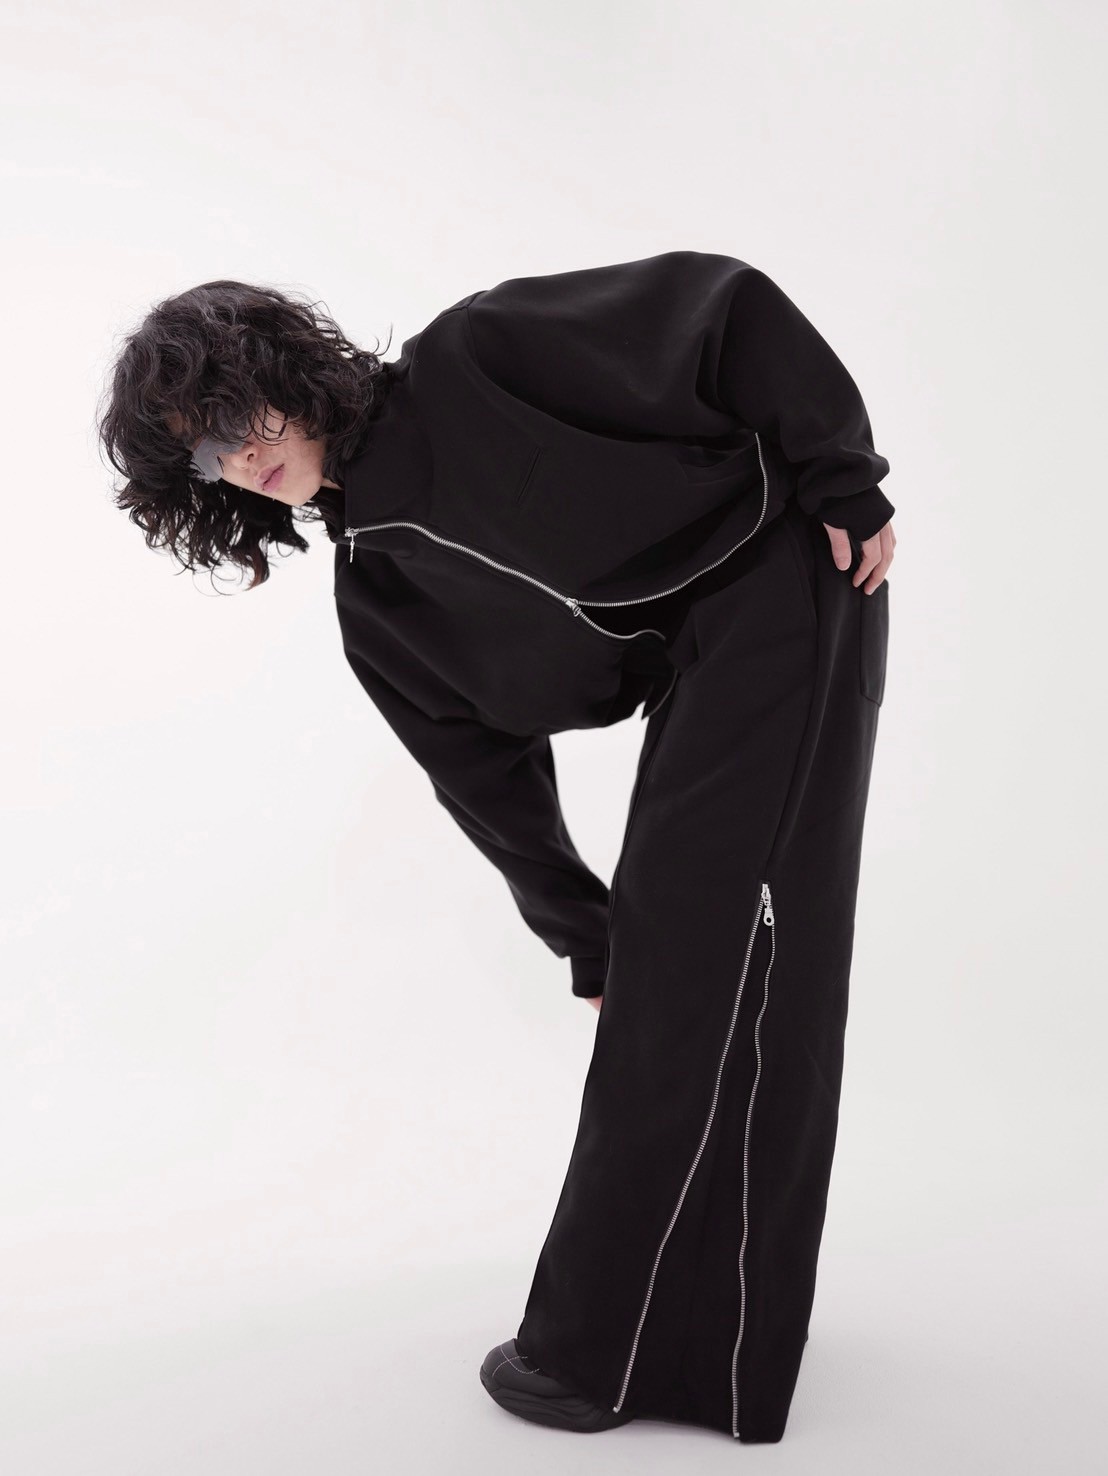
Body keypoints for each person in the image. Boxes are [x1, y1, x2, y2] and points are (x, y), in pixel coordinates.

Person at [97, 250, 895, 1443]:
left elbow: (722, 307)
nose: (237, 454)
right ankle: (703, 1332)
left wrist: (844, 477)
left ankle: (623, 1356)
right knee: (676, 976)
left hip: (788, 569)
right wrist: (586, 935)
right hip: (701, 668)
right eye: (202, 453)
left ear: (280, 370)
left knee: (721, 967)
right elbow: (483, 780)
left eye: (231, 411)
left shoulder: (481, 354)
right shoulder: (380, 600)